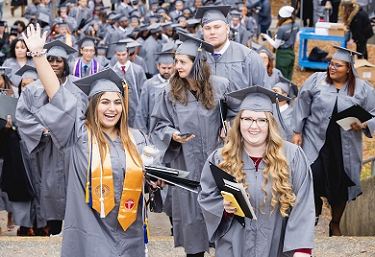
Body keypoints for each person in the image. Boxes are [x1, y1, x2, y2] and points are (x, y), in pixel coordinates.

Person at [21, 23, 162, 256]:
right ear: (93, 106)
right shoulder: (77, 135)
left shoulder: (136, 139)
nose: (112, 108)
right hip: (91, 233)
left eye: (117, 102)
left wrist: (153, 181)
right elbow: (58, 97)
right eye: (104, 102)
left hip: (130, 232)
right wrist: (39, 56)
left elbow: (143, 176)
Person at [198, 86, 315, 257]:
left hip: (277, 247)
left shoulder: (292, 156)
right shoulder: (221, 158)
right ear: (239, 122)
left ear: (271, 123)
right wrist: (221, 208)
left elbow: (303, 204)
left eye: (262, 120)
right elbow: (206, 195)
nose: (254, 126)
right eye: (247, 119)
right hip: (233, 248)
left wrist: (301, 249)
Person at [150, 32, 235, 257]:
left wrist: (229, 128)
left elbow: (236, 116)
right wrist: (173, 135)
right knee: (192, 226)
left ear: (197, 62)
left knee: (224, 225)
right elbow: (158, 125)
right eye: (176, 61)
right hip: (186, 168)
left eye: (181, 62)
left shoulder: (221, 86)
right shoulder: (169, 91)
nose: (176, 66)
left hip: (219, 166)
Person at [291, 46, 375, 236]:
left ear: (349, 69)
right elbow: (302, 104)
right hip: (315, 140)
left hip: (344, 146)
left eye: (338, 65)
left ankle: (335, 223)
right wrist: (297, 131)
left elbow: (373, 113)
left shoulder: (363, 88)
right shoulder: (316, 80)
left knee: (340, 186)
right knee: (311, 175)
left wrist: (363, 125)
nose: (332, 67)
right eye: (331, 63)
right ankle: (314, 208)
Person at [16, 38, 88, 237]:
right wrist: (43, 130)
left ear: (66, 63)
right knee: (47, 190)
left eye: (59, 60)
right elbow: (23, 117)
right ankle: (51, 230)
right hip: (44, 149)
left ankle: (75, 231)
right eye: (50, 60)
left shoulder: (78, 87)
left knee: (73, 189)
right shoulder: (32, 89)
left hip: (71, 148)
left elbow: (86, 116)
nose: (55, 64)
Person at [1, 65, 38, 236]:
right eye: (24, 85)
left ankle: (40, 225)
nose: (28, 88)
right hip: (20, 156)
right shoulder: (15, 105)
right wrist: (7, 128)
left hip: (40, 155)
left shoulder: (46, 103)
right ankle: (24, 225)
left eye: (32, 84)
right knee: (22, 190)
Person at [195, 5, 266, 90]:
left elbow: (263, 96)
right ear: (202, 31)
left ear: (227, 29)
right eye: (207, 28)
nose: (212, 32)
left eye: (217, 27)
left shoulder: (249, 57)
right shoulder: (196, 59)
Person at [134, 51, 174, 135]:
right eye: (163, 68)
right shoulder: (149, 84)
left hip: (172, 130)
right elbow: (142, 111)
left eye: (169, 68)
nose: (166, 71)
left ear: (174, 67)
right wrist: (143, 135)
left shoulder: (177, 83)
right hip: (153, 130)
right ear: (158, 66)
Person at [110, 39, 146, 128]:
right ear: (115, 54)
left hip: (136, 109)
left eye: (123, 54)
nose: (121, 57)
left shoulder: (138, 70)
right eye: (118, 55)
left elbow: (144, 91)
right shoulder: (111, 71)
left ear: (128, 53)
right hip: (117, 109)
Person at [261, 6, 299, 80]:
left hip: (282, 55)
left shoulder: (282, 29)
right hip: (291, 53)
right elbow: (296, 39)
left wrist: (266, 37)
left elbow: (276, 45)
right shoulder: (296, 25)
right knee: (289, 76)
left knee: (281, 77)